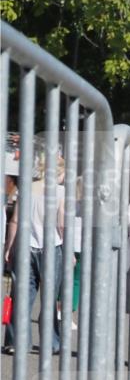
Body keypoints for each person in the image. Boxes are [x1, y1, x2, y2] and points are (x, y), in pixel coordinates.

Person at [3, 152, 67, 355]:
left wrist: (9, 247)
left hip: (25, 247)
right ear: (59, 173)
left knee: (21, 296)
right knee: (49, 299)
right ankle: (51, 343)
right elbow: (61, 224)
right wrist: (69, 250)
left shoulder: (27, 189)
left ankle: (16, 342)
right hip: (51, 248)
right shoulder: (60, 192)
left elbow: (15, 220)